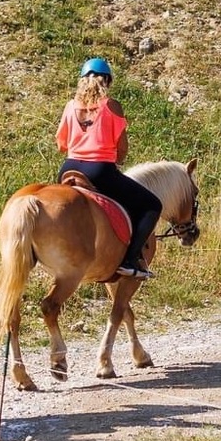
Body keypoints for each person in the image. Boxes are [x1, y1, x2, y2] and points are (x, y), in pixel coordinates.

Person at [55, 58, 162, 281]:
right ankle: (130, 259)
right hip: (100, 170)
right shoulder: (112, 105)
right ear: (108, 82)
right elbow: (122, 146)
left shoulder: (70, 105)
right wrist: (117, 160)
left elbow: (61, 144)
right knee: (152, 205)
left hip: (69, 168)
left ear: (81, 80)